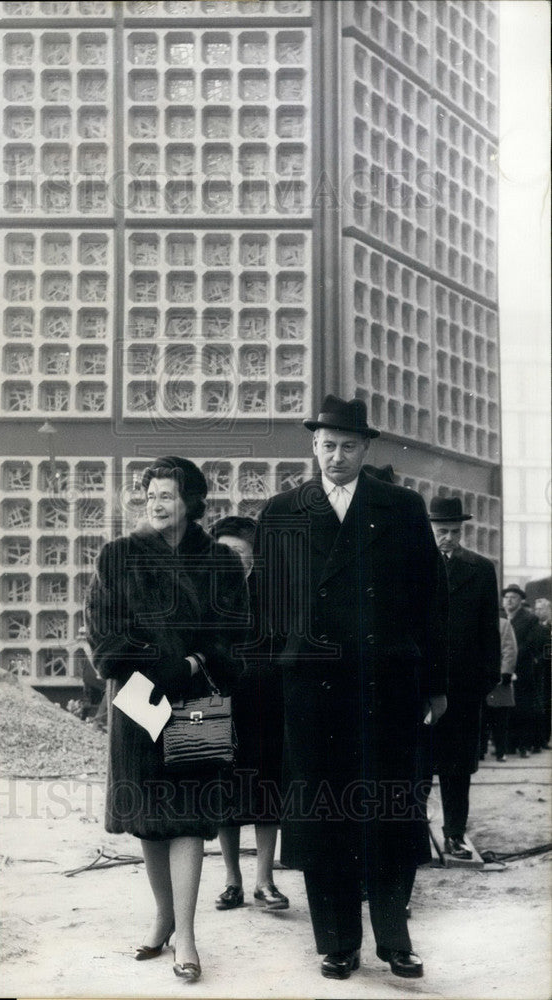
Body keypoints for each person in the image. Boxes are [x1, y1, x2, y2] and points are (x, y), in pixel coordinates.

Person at [250, 395, 448, 981]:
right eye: (327, 445)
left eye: (348, 446)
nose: (336, 456)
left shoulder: (402, 508)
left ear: (367, 449)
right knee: (323, 816)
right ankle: (337, 943)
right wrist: (271, 678)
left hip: (386, 687)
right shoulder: (282, 510)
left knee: (392, 808)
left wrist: (435, 684)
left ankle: (395, 939)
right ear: (313, 446)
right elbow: (264, 605)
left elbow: (431, 602)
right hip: (312, 689)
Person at [85, 456, 248, 983]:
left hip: (197, 697)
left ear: (193, 503)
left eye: (169, 495)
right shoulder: (117, 557)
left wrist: (195, 662)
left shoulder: (220, 562)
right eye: (150, 493)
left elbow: (234, 636)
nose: (156, 502)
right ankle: (163, 918)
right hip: (135, 699)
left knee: (191, 818)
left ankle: (188, 936)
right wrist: (158, 665)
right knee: (149, 820)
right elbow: (104, 633)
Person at [210, 516, 288, 913]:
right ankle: (231, 881)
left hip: (266, 701)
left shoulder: (275, 591)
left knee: (267, 787)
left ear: (254, 552)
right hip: (219, 702)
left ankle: (264, 880)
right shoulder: (207, 592)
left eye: (239, 551)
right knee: (225, 791)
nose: (233, 559)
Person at [427, 496, 501, 859]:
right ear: (430, 530)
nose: (449, 539)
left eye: (455, 532)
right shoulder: (413, 566)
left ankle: (454, 835)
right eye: (442, 531)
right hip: (423, 686)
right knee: (419, 765)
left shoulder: (481, 569)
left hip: (465, 687)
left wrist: (485, 680)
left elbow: (490, 630)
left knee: (458, 767)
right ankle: (414, 837)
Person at [503, 584, 547, 758]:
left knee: (523, 708)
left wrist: (511, 656)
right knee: (507, 708)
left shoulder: (529, 619)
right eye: (506, 597)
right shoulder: (501, 616)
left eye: (513, 597)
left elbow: (530, 644)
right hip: (504, 669)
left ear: (521, 600)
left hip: (522, 670)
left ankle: (524, 744)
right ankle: (509, 744)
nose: (509, 600)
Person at [481, 617, 517, 761]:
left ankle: (501, 750)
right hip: (478, 678)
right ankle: (480, 750)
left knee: (499, 717)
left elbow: (510, 649)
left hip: (498, 679)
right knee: (480, 718)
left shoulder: (503, 624)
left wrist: (506, 672)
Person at [533, 598, 551, 750]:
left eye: (541, 609)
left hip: (547, 670)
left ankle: (544, 738)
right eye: (536, 609)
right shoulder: (532, 626)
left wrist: (538, 660)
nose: (537, 612)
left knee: (546, 704)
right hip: (537, 671)